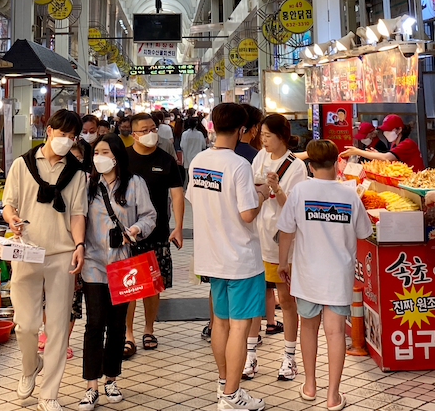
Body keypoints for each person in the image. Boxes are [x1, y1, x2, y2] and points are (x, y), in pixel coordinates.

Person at [2, 109, 88, 411]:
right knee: (25, 325)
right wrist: (11, 217)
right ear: (48, 130)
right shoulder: (21, 165)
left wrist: (79, 244)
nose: (66, 140)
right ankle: (30, 367)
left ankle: (49, 393)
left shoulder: (77, 172)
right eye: (62, 133)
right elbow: (8, 203)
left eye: (71, 136)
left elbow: (78, 213)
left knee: (58, 329)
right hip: (26, 251)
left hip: (62, 254)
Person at [277, 140, 372, 409]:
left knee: (308, 328)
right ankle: (333, 396)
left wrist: (283, 263)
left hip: (307, 275)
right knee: (334, 334)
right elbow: (365, 233)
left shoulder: (299, 191)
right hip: (338, 276)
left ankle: (309, 385)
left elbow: (286, 230)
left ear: (310, 165)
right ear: (337, 163)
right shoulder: (349, 194)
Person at [189, 102, 268, 411]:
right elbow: (248, 214)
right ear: (240, 130)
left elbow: (198, 199)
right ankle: (232, 396)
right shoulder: (238, 165)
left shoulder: (199, 161)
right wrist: (261, 194)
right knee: (239, 326)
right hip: (241, 258)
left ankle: (224, 386)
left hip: (211, 257)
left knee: (220, 323)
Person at [77, 135, 156, 410]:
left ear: (116, 156)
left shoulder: (134, 184)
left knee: (117, 323)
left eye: (105, 151)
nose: (99, 156)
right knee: (94, 322)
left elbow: (149, 216)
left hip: (123, 265)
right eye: (96, 152)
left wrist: (133, 231)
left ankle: (111, 378)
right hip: (93, 263)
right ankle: (91, 384)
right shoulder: (87, 185)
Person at [249, 113, 307, 382]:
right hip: (257, 238)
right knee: (255, 299)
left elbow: (294, 210)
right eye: (261, 136)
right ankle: (250, 357)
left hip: (282, 244)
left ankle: (289, 357)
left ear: (282, 136)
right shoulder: (260, 157)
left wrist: (277, 189)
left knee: (286, 301)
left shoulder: (296, 168)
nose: (264, 141)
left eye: (268, 136)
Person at [125, 112, 185, 356]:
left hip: (158, 232)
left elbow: (177, 194)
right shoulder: (124, 159)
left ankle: (149, 329)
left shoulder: (166, 159)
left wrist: (178, 227)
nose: (151, 134)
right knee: (129, 286)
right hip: (127, 234)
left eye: (153, 128)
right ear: (133, 134)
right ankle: (127, 333)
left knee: (152, 285)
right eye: (144, 130)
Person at [341, 113, 423, 171]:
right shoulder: (394, 144)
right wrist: (376, 154)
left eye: (388, 130)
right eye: (384, 130)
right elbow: (389, 160)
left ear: (399, 129)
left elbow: (386, 158)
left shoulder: (407, 144)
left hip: (415, 181)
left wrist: (357, 151)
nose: (385, 133)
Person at [180, 117, 208, 184]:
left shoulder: (185, 134)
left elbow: (181, 145)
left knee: (188, 178)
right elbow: (203, 146)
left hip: (187, 158)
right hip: (197, 158)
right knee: (196, 177)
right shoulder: (200, 134)